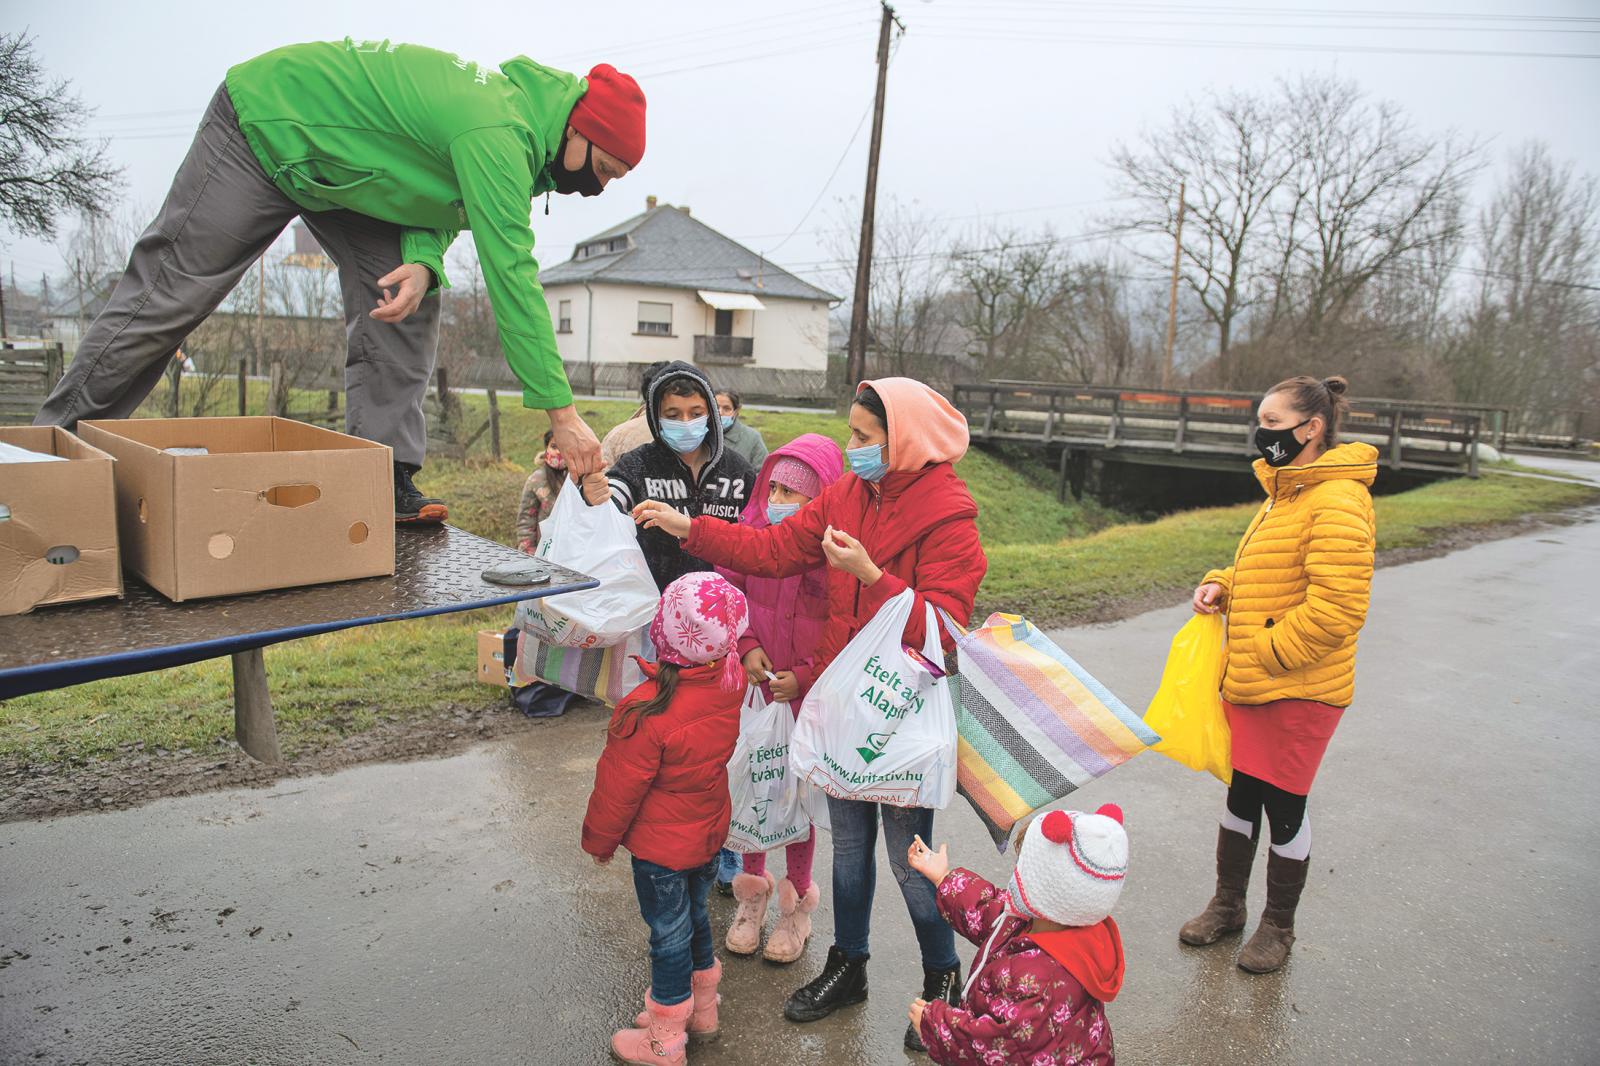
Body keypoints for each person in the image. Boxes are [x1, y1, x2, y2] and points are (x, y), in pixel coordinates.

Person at [33, 38, 642, 523]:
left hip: (347, 171)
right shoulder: (498, 130)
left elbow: (442, 202)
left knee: (405, 296)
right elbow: (511, 272)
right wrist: (561, 412)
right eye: (605, 168)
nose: (601, 184)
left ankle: (383, 474)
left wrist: (426, 263)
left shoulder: (523, 136)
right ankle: (42, 458)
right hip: (268, 125)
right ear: (579, 131)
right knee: (171, 295)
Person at [634, 378, 987, 1053]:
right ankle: (848, 964)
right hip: (840, 700)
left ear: (903, 440)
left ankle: (944, 977)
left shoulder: (949, 515)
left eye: (863, 437)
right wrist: (690, 528)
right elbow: (770, 549)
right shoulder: (851, 493)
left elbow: (945, 626)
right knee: (849, 849)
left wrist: (872, 578)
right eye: (850, 433)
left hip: (899, 709)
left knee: (910, 858)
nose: (851, 448)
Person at [1183, 375, 1376, 974]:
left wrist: (1264, 651)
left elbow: (1338, 608)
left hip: (1299, 685)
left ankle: (1278, 927)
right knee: (1242, 794)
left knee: (1285, 806)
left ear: (1310, 427)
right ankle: (1228, 906)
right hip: (1256, 680)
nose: (1261, 433)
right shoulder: (1286, 492)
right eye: (1260, 421)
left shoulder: (1338, 498)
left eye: (1271, 422)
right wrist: (1223, 581)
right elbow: (1270, 572)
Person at [581, 571, 750, 1066]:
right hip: (708, 831)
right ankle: (703, 1010)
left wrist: (599, 841)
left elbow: (618, 789)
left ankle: (664, 1037)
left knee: (668, 934)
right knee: (695, 917)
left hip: (661, 850)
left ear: (663, 634)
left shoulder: (644, 711)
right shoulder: (729, 680)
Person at [717, 433, 844, 963]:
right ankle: (751, 896)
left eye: (797, 495)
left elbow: (844, 627)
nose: (783, 502)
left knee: (797, 801)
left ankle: (795, 906)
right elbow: (731, 595)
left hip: (805, 701)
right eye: (776, 489)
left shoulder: (833, 557)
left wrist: (808, 675)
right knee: (753, 789)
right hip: (755, 695)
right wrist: (746, 647)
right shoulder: (752, 536)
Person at [905, 806, 1127, 1064]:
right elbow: (988, 909)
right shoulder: (1051, 922)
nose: (1016, 877)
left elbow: (995, 1043)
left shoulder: (1038, 981)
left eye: (1023, 869)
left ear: (1045, 888)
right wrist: (943, 877)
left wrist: (935, 1023)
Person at [583, 361, 754, 591]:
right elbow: (612, 498)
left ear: (710, 414)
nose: (685, 423)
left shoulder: (738, 472)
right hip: (654, 604)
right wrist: (593, 497)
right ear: (656, 418)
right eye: (673, 415)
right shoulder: (639, 464)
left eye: (695, 414)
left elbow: (757, 539)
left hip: (723, 609)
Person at [515, 430, 566, 554]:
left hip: (575, 553)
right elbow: (526, 522)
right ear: (546, 449)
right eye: (554, 446)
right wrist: (529, 554)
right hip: (545, 552)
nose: (558, 451)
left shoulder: (580, 479)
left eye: (564, 446)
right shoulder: (536, 480)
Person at [715, 389, 768, 471]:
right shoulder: (700, 435)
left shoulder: (752, 438)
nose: (720, 412)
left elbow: (763, 473)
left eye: (726, 408)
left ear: (736, 411)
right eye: (716, 407)